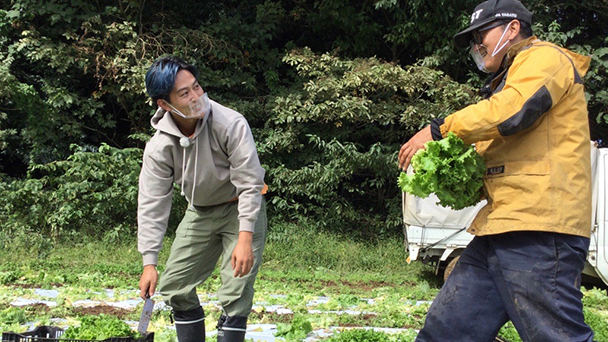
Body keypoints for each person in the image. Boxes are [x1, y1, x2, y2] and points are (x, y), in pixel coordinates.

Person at [398, 0, 595, 341]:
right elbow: (507, 146)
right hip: (502, 225)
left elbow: (510, 111)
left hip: (540, 228)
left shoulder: (546, 59)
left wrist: (438, 130)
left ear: (513, 28)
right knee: (446, 331)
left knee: (555, 336)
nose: (477, 46)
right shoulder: (509, 76)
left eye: (481, 35)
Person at [137, 56, 267, 342]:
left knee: (235, 289)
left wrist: (245, 238)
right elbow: (152, 203)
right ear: (164, 104)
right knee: (174, 286)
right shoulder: (160, 146)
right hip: (200, 211)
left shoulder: (230, 123)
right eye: (184, 93)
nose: (196, 96)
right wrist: (149, 262)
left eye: (196, 87)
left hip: (240, 209)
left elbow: (249, 183)